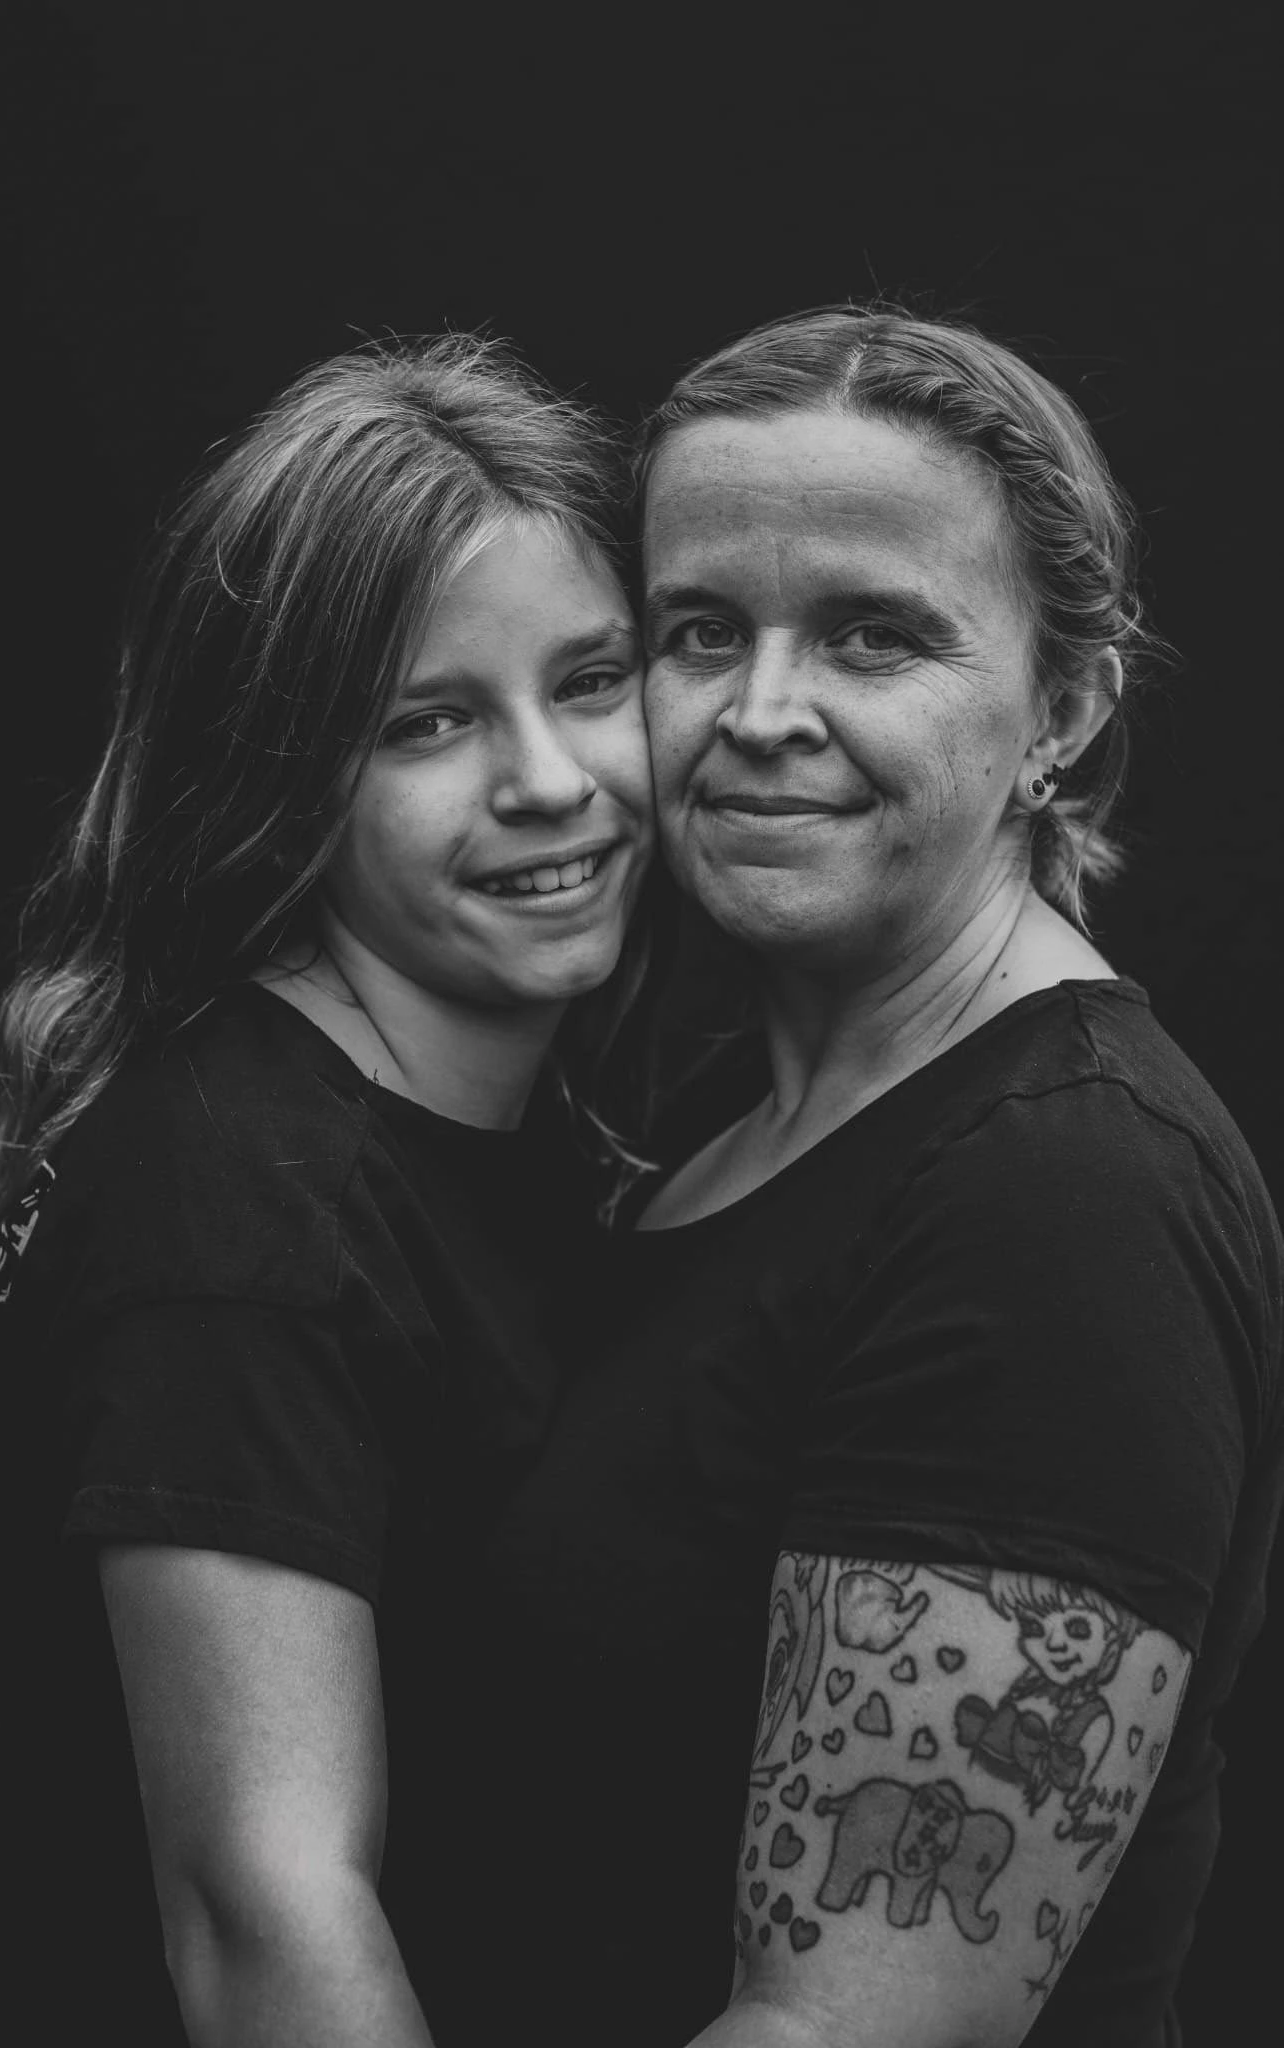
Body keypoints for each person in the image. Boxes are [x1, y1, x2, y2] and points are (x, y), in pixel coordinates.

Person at [476, 307, 1284, 2046]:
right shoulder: (705, 1102)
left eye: (875, 636)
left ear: (1063, 708)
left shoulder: (1065, 1199)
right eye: (702, 632)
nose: (764, 714)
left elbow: (834, 2029)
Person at [0, 334, 652, 2046]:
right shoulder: (245, 1208)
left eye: (593, 679)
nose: (548, 779)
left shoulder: (491, 1117)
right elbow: (263, 1923)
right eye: (427, 722)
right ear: (278, 769)